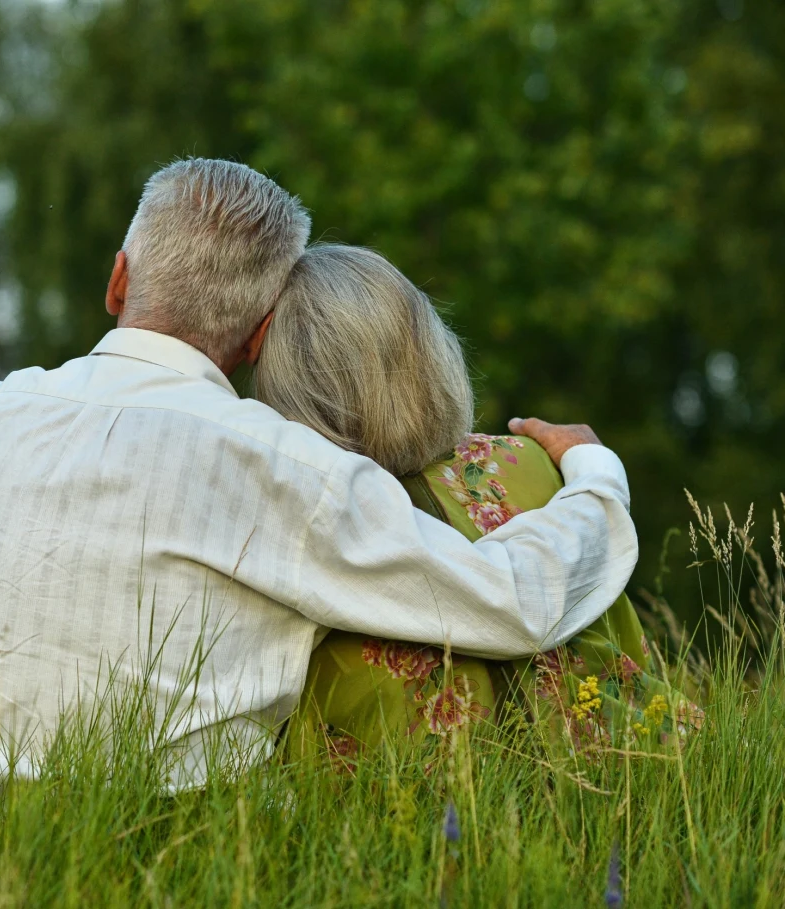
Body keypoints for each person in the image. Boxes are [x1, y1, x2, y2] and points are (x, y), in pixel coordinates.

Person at [0, 158, 638, 788]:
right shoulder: (282, 464)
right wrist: (593, 471)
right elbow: (510, 604)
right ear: (261, 335)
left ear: (117, 280)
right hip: (189, 843)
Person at [254, 244, 702, 766]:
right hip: (615, 791)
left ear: (287, 384)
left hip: (400, 828)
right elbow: (623, 640)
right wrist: (593, 465)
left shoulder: (295, 514)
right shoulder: (542, 466)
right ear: (428, 350)